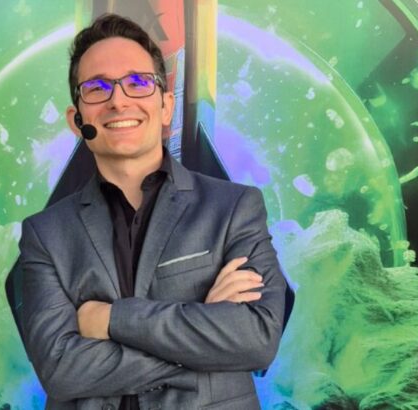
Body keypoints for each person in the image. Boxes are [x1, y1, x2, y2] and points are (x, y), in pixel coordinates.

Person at [18, 13, 291, 410]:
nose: (118, 101)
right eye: (96, 88)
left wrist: (110, 320)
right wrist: (204, 328)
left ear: (166, 106)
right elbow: (60, 368)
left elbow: (258, 338)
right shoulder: (44, 234)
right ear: (77, 121)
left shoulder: (235, 208)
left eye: (138, 82)